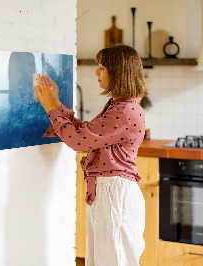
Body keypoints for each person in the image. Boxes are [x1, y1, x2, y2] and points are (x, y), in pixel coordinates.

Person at [35, 44, 147, 266]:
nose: (96, 72)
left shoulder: (124, 111)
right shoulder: (120, 106)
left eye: (102, 67)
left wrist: (50, 108)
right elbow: (86, 133)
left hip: (115, 195)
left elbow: (78, 141)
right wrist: (56, 103)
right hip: (110, 193)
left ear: (118, 72)